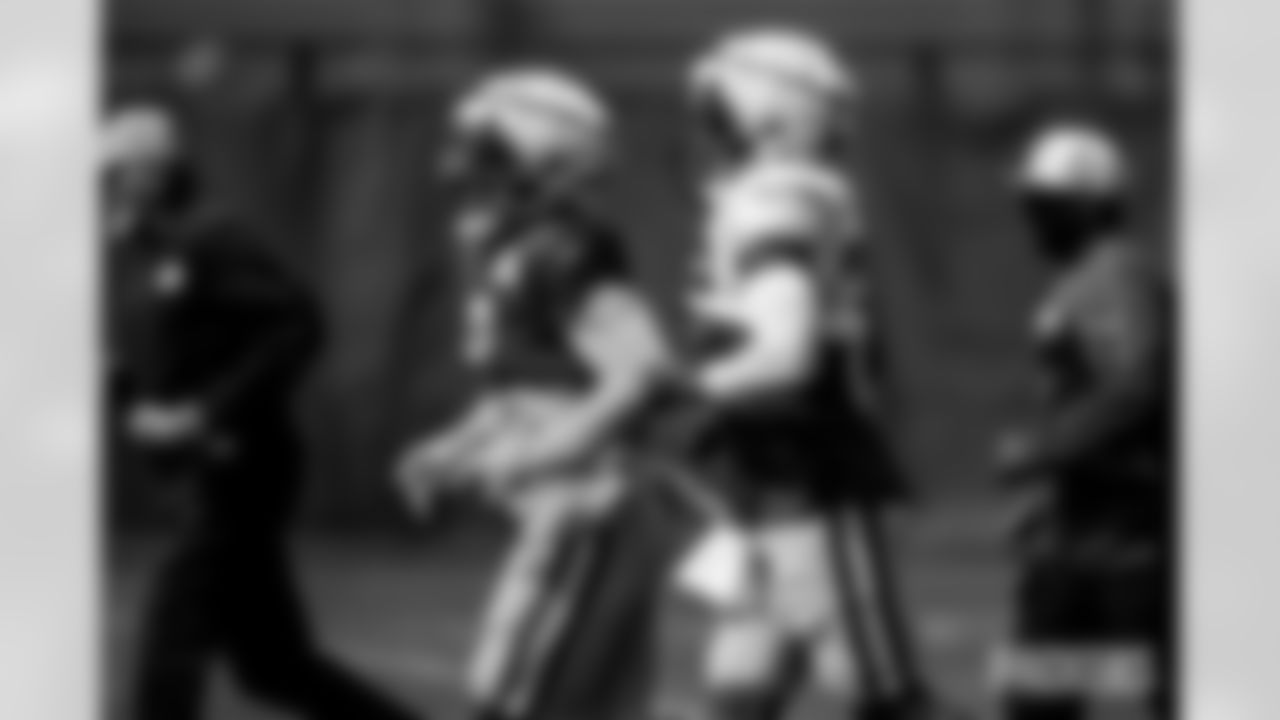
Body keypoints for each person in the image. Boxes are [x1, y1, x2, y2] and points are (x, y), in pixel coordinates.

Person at [671, 26, 966, 720]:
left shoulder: (775, 198)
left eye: (719, 112)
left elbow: (786, 355)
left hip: (815, 494)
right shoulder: (778, 194)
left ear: (770, 116)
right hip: (768, 496)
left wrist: (674, 394)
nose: (710, 130)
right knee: (738, 697)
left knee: (886, 702)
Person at [105, 104, 420, 720]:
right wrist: (122, 393)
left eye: (115, 175)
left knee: (170, 648)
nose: (106, 191)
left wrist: (206, 413)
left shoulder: (212, 236)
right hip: (196, 479)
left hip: (235, 471)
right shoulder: (146, 256)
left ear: (150, 171)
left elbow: (296, 323)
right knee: (274, 664)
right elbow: (159, 362)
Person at [394, 67, 679, 720]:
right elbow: (516, 392)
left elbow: (642, 371)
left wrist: (532, 457)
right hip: (569, 506)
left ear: (543, 160)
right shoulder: (512, 252)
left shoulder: (565, 251)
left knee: (516, 694)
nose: (463, 168)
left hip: (594, 506)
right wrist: (450, 448)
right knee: (547, 698)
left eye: (485, 152)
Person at [992, 123, 1175, 720]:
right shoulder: (1084, 277)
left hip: (1125, 545)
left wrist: (1042, 450)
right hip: (1079, 539)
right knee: (1037, 697)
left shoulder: (1114, 274)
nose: (1033, 222)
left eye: (1046, 207)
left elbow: (1136, 385)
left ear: (1091, 208)